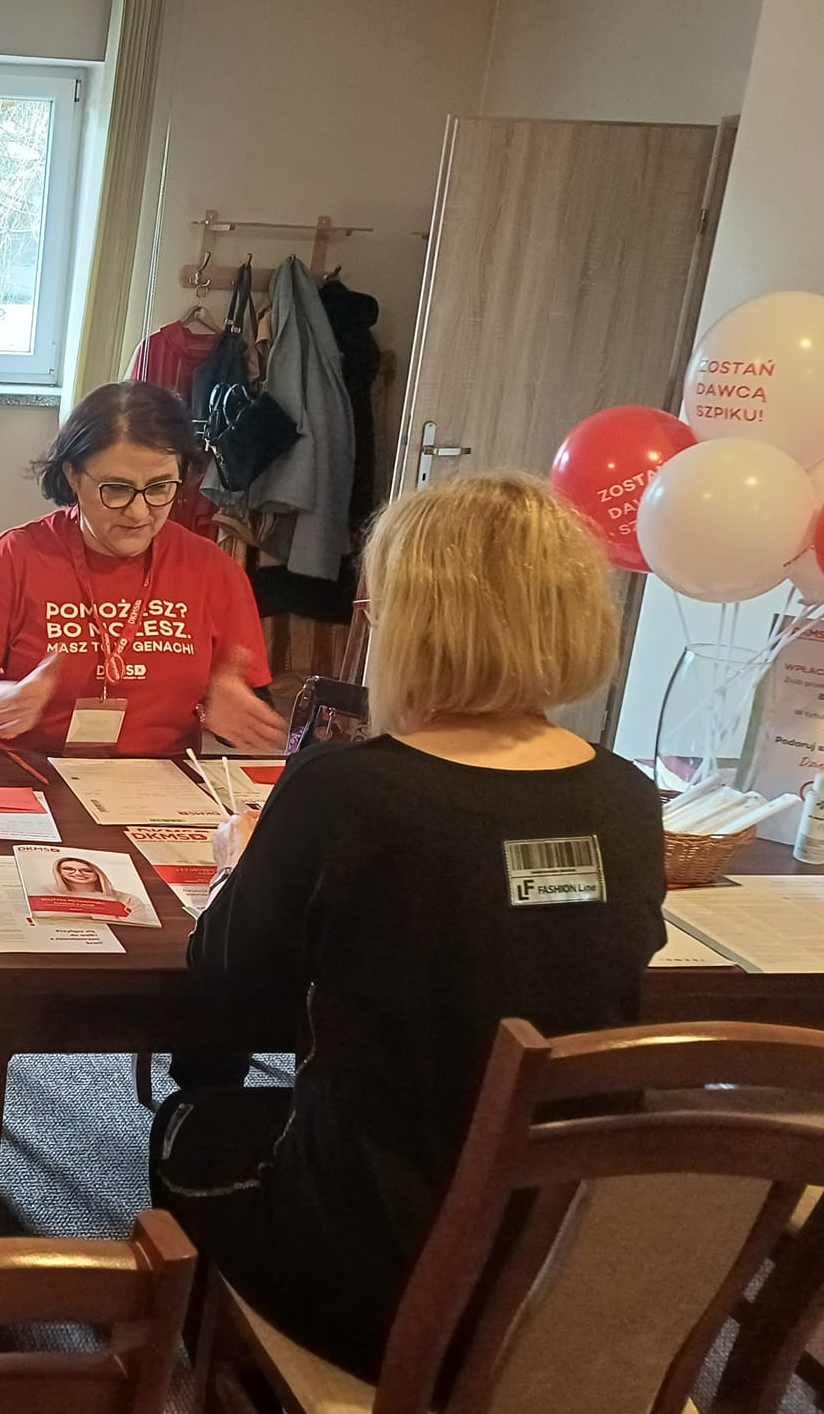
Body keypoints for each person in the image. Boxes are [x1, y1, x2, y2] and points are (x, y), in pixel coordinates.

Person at [150, 472, 666, 1380]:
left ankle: (228, 1384)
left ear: (409, 624)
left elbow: (226, 976)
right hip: (567, 1272)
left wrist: (242, 859)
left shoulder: (348, 791)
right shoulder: (626, 795)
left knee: (191, 1124)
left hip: (388, 1285)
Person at [0, 381, 284, 757]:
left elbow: (250, 703)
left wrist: (224, 705)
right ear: (73, 476)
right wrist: (3, 701)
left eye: (159, 488)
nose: (139, 512)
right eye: (116, 488)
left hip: (157, 780)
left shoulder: (212, 569)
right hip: (26, 772)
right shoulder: (17, 556)